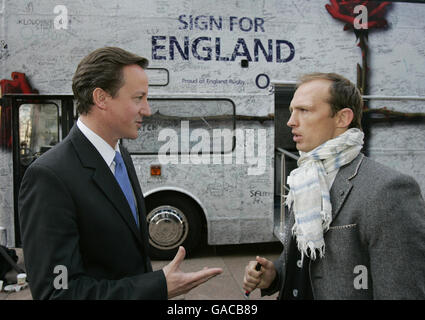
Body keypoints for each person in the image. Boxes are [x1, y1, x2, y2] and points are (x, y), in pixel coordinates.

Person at [19, 47, 222, 300]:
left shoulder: (121, 155)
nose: (147, 110)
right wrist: (158, 287)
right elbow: (58, 293)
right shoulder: (50, 177)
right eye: (138, 98)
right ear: (101, 98)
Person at [243, 72, 425, 299]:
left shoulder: (389, 190)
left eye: (304, 110)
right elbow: (300, 253)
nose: (290, 121)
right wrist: (275, 275)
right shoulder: (304, 178)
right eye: (292, 111)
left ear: (342, 118)